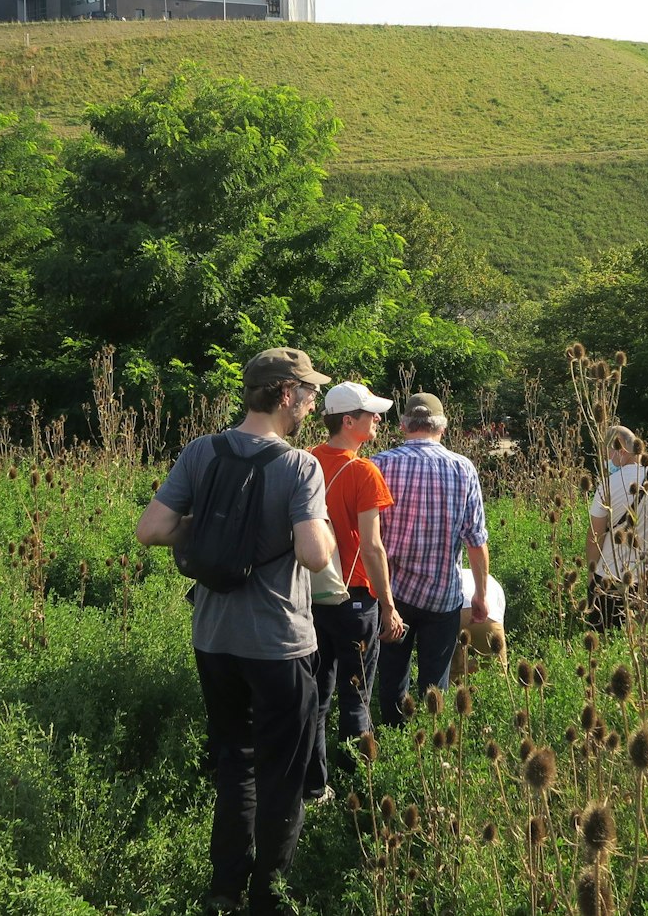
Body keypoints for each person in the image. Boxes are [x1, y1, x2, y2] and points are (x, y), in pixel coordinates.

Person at [135, 348, 336, 915]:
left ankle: (224, 889)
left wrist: (215, 531)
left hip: (214, 639)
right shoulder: (301, 466)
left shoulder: (203, 451)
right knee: (283, 770)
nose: (313, 401)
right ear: (283, 395)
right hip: (279, 643)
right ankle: (270, 895)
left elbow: (151, 529)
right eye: (308, 392)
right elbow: (315, 556)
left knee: (235, 762)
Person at [303, 381, 404, 804]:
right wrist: (389, 605)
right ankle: (360, 790)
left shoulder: (305, 461)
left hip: (311, 596)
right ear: (349, 421)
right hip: (356, 598)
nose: (378, 419)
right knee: (357, 696)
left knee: (318, 693)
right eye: (371, 414)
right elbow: (373, 545)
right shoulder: (363, 471)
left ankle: (314, 785)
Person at [375, 393, 490, 728]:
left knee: (391, 676)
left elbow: (368, 538)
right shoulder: (462, 468)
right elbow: (476, 541)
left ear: (403, 425)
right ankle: (430, 744)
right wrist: (480, 594)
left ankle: (393, 739)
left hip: (391, 595)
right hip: (442, 597)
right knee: (434, 681)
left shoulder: (380, 464)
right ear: (443, 427)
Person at [586, 425, 648, 627]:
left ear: (620, 450)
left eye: (609, 456)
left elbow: (595, 535)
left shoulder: (609, 484)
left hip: (611, 578)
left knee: (607, 641)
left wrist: (591, 576)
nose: (608, 462)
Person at [450, 565, 508, 680]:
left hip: (455, 613)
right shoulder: (492, 582)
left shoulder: (451, 575)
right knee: (497, 673)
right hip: (488, 616)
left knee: (454, 675)